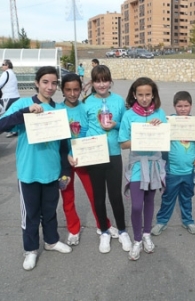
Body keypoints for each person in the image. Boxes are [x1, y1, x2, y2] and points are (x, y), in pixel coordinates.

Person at [0, 66, 72, 271]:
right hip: (28, 172)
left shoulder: (59, 110)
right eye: (45, 82)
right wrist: (25, 112)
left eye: (54, 82)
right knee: (30, 214)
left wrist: (65, 171)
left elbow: (64, 146)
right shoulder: (23, 104)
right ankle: (30, 249)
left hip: (51, 172)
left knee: (49, 211)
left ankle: (51, 241)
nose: (50, 86)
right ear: (37, 83)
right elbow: (1, 126)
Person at [57, 73, 118, 246]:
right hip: (65, 161)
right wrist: (67, 154)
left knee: (94, 194)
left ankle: (103, 225)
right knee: (67, 195)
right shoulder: (57, 110)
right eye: (68, 89)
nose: (72, 93)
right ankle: (73, 229)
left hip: (85, 157)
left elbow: (90, 131)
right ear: (62, 90)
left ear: (81, 89)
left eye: (76, 89)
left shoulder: (85, 107)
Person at [82, 65, 132, 254]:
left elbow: (125, 127)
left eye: (105, 80)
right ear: (92, 83)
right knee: (98, 195)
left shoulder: (118, 101)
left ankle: (122, 230)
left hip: (113, 154)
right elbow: (85, 130)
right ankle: (104, 231)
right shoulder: (86, 103)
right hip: (94, 154)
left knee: (115, 195)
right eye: (97, 80)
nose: (101, 84)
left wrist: (116, 124)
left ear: (110, 81)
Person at [118, 77, 167, 261]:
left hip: (154, 164)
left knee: (149, 201)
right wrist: (144, 132)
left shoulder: (160, 113)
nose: (145, 98)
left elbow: (165, 138)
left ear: (153, 94)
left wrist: (159, 129)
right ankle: (137, 239)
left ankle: (146, 234)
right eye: (140, 94)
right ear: (134, 94)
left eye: (148, 94)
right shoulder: (129, 115)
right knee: (137, 205)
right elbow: (123, 144)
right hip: (138, 165)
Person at [151, 91, 195, 236]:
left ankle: (188, 221)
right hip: (172, 171)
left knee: (187, 197)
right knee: (168, 198)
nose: (183, 109)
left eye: (186, 106)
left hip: (189, 171)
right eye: (179, 106)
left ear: (191, 106)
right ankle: (162, 221)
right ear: (174, 106)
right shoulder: (169, 121)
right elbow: (158, 133)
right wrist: (157, 123)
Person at [0, 59, 20, 137]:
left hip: (8, 97)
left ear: (7, 65)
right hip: (15, 96)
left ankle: (9, 130)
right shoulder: (12, 73)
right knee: (14, 114)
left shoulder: (6, 73)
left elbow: (0, 83)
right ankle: (15, 129)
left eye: (3, 65)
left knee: (4, 114)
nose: (2, 66)